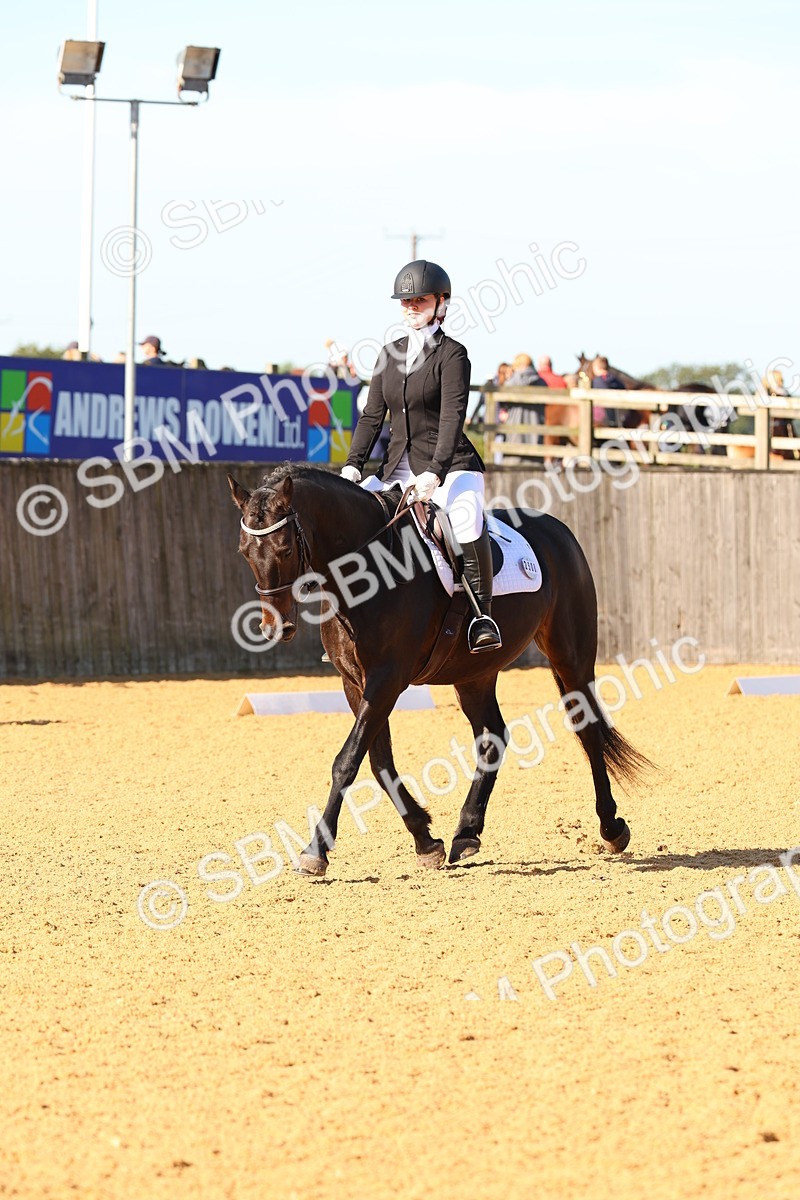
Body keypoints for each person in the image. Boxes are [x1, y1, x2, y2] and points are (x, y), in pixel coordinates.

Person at [341, 259, 501, 653]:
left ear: (441, 303)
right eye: (406, 300)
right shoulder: (389, 353)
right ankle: (348, 624)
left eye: (420, 299)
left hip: (451, 467)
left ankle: (483, 616)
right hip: (396, 469)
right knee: (355, 525)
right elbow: (372, 415)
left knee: (463, 522)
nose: (411, 305)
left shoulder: (453, 355)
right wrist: (352, 465)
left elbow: (452, 418)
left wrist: (435, 473)